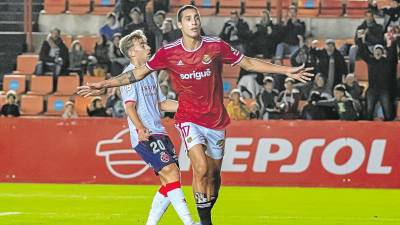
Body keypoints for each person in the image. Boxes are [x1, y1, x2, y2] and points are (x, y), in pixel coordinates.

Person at [77, 5, 313, 225]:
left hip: (215, 120)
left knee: (213, 176)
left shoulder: (215, 46)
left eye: (196, 17)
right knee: (198, 168)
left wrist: (286, 70)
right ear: (180, 25)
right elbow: (135, 75)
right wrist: (104, 84)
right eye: (188, 18)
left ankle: (202, 216)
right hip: (188, 118)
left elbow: (248, 63)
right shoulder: (169, 52)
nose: (194, 21)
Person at [118, 30, 197, 225]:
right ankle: (189, 222)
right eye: (142, 45)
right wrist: (139, 128)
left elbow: (161, 104)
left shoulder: (150, 74)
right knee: (171, 172)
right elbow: (129, 106)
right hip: (146, 134)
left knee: (169, 180)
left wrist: (190, 106)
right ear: (131, 53)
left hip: (159, 132)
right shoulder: (129, 76)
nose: (148, 47)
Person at [357, 30, 397, 121]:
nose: (377, 52)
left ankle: (388, 129)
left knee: (388, 113)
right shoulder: (371, 61)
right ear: (373, 53)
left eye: (379, 51)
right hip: (372, 89)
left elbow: (392, 54)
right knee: (368, 112)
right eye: (376, 51)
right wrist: (360, 39)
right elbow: (363, 52)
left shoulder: (387, 62)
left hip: (384, 90)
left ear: (382, 52)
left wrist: (392, 41)